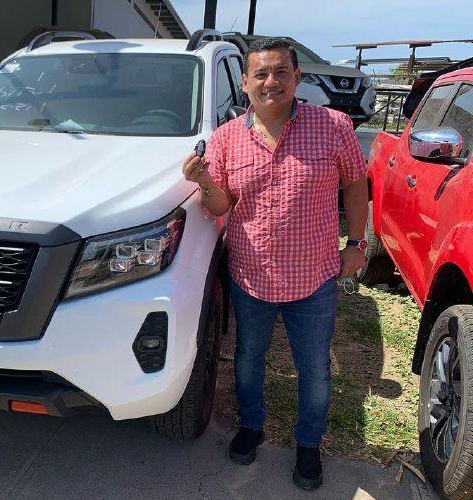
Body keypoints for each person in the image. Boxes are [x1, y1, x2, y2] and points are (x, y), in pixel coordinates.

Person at [182, 38, 368, 491]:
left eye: (281, 72)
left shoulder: (334, 126)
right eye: (261, 74)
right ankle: (251, 426)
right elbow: (221, 204)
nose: (271, 82)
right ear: (245, 83)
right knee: (248, 358)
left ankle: (309, 444)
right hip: (251, 276)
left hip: (314, 277)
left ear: (297, 77)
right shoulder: (227, 138)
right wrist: (203, 179)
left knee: (315, 368)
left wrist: (356, 243)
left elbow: (355, 184)